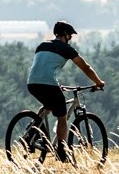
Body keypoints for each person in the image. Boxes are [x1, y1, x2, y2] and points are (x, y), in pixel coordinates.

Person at [26, 20, 105, 162]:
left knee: (48, 105)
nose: (70, 39)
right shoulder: (66, 49)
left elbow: (44, 67)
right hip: (48, 84)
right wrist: (98, 82)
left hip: (32, 83)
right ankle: (62, 150)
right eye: (70, 36)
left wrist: (56, 85)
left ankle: (30, 134)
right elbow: (85, 67)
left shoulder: (42, 45)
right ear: (65, 35)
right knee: (62, 116)